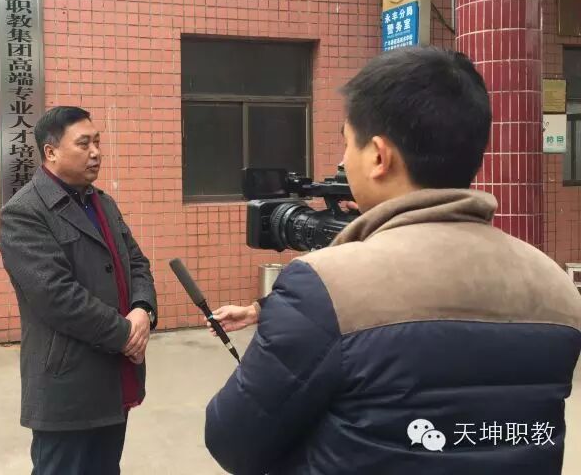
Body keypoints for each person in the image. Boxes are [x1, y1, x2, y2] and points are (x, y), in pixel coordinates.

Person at [205, 47, 581, 475]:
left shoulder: (324, 285)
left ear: (379, 156)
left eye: (347, 143)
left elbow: (232, 440)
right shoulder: (556, 286)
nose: (343, 161)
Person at [0, 106, 158, 475]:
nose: (96, 152)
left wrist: (142, 309)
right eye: (84, 144)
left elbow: (137, 263)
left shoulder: (102, 203)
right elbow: (56, 296)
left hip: (113, 380)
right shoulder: (24, 213)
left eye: (97, 142)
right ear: (51, 151)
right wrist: (126, 334)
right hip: (67, 387)